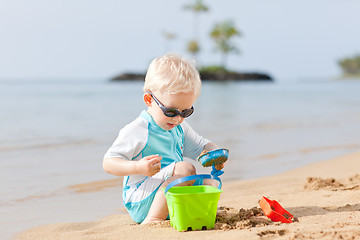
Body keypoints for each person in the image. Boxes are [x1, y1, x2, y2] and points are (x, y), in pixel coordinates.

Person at [103, 53, 226, 224]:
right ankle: (153, 219)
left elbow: (202, 146)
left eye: (186, 112)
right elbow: (109, 163)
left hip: (166, 191)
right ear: (149, 99)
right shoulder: (138, 129)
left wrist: (215, 155)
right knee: (185, 168)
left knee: (208, 182)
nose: (177, 118)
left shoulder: (179, 127)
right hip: (141, 199)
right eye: (171, 111)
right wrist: (138, 167)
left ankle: (179, 211)